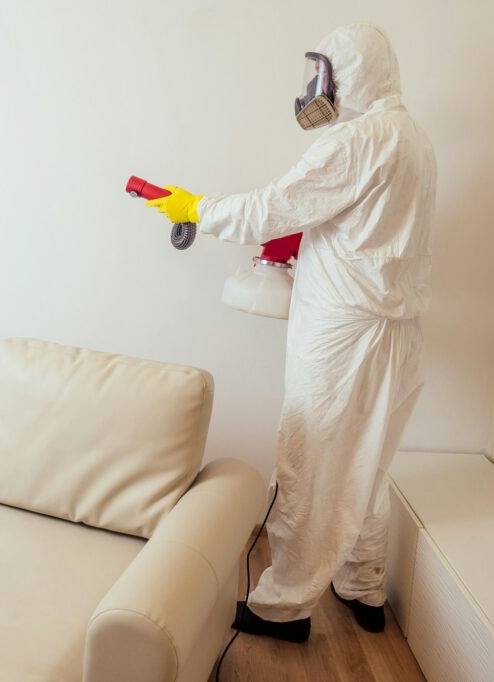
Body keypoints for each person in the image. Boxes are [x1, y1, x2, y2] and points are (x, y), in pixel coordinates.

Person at [145, 23, 436, 642]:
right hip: (399, 335)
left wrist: (194, 207)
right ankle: (363, 589)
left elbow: (270, 207)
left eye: (323, 72)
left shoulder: (356, 140)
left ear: (350, 73)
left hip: (343, 334)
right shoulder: (414, 139)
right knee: (369, 466)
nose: (314, 87)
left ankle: (282, 608)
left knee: (308, 462)